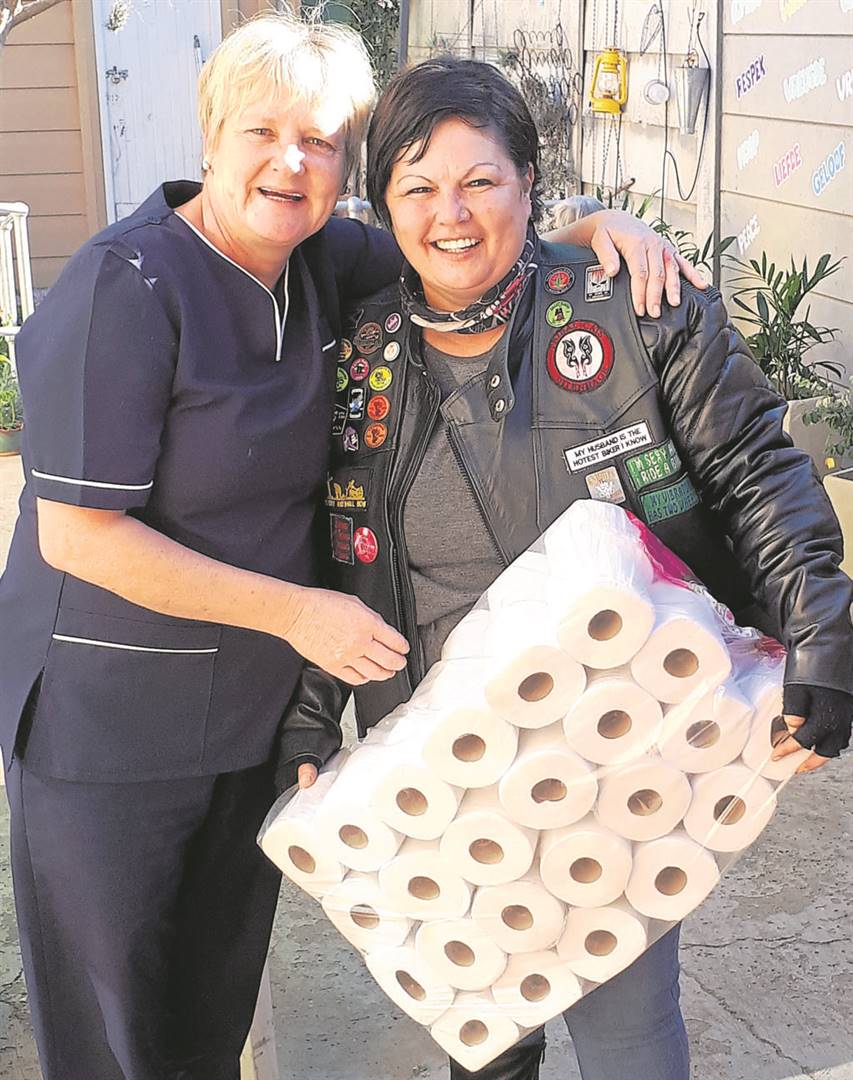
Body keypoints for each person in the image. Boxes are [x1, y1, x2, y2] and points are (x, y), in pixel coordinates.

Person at [0, 13, 695, 1080]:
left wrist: (602, 226)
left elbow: (464, 241)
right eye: (261, 131)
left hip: (247, 713)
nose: (290, 162)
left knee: (208, 1004)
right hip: (110, 723)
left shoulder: (324, 260)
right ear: (211, 136)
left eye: (321, 141)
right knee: (114, 1023)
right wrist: (298, 613)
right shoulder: (124, 287)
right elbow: (81, 534)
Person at [278, 56, 853, 1080]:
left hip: (620, 736)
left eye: (480, 181)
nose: (450, 215)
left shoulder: (636, 306)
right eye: (417, 187)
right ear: (383, 206)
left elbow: (755, 468)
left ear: (530, 185)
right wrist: (311, 715)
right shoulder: (358, 350)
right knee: (484, 1030)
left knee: (624, 1024)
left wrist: (820, 633)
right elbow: (332, 549)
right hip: (442, 759)